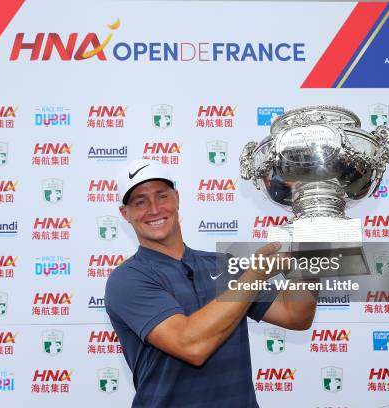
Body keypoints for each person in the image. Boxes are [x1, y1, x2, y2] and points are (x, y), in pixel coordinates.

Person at [105, 160, 318, 408]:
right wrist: (255, 274)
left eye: (161, 196)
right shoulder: (127, 279)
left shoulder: (223, 264)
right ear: (125, 214)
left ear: (176, 199)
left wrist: (311, 247)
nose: (154, 209)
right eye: (140, 202)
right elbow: (190, 345)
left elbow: (296, 316)